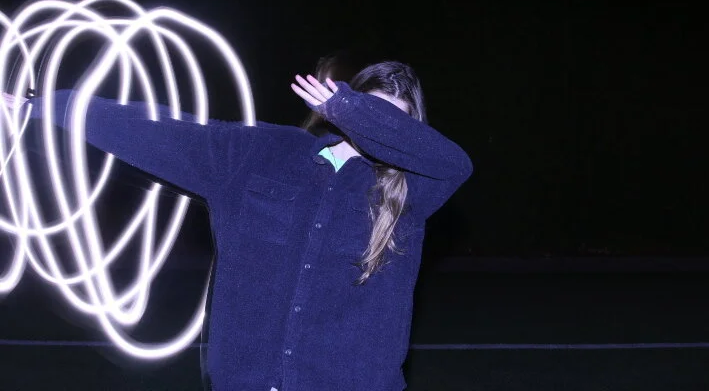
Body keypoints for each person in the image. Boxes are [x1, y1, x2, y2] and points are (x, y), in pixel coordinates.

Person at [6, 61, 472, 390]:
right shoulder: (264, 155)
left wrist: (355, 110)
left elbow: (455, 163)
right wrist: (44, 107)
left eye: (393, 124)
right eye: (371, 112)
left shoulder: (414, 191)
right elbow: (158, 131)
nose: (378, 131)